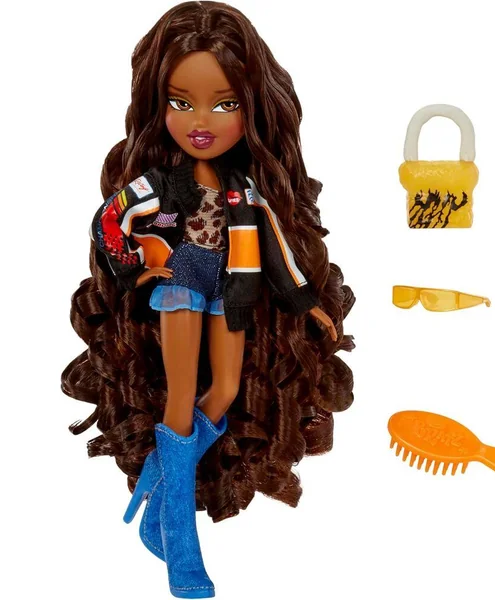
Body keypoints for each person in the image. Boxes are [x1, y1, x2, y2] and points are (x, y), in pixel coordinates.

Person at [61, 2, 355, 598]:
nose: (201, 121)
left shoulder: (247, 190)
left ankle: (158, 490)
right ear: (159, 105)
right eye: (180, 102)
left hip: (233, 288)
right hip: (181, 282)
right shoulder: (160, 184)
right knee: (179, 396)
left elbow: (278, 252)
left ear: (253, 108)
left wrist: (307, 303)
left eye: (224, 105)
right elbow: (108, 220)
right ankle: (182, 547)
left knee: (221, 390)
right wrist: (134, 267)